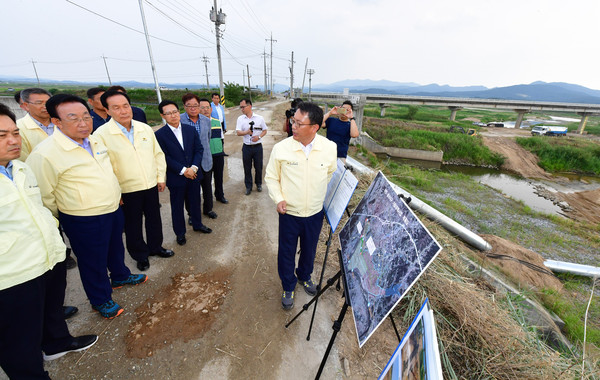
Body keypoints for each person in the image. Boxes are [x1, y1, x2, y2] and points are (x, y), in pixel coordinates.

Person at [26, 94, 147, 320]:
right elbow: (45, 195)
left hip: (111, 208)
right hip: (83, 218)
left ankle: (120, 275)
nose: (83, 123)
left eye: (86, 117)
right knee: (93, 261)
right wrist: (64, 215)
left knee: (114, 248)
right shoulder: (45, 154)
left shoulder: (94, 140)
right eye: (74, 119)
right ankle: (100, 299)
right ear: (56, 122)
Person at [0, 103, 97, 379]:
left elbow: (41, 207)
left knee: (51, 311)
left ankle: (57, 343)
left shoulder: (19, 168)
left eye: (15, 133)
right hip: (13, 275)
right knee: (19, 339)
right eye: (1, 135)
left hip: (48, 257)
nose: (13, 140)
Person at [265, 102, 337, 310]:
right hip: (289, 213)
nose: (293, 126)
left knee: (309, 248)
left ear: (315, 127)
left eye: (298, 123)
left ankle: (304, 276)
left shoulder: (329, 148)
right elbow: (271, 177)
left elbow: (330, 173)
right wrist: (279, 198)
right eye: (292, 121)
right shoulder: (282, 149)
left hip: (315, 212)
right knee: (287, 251)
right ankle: (288, 285)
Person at [93, 89, 173, 272]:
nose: (123, 111)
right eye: (116, 108)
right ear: (107, 111)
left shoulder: (144, 128)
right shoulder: (100, 135)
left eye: (126, 106)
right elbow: (103, 168)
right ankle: (140, 255)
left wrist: (160, 177)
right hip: (126, 189)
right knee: (132, 224)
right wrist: (115, 192)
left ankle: (156, 247)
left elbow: (157, 154)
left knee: (154, 218)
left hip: (150, 184)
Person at [155, 100, 211, 246]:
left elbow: (199, 150)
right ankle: (180, 233)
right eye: (168, 113)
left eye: (175, 112)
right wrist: (182, 170)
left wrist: (193, 168)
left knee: (195, 202)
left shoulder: (190, 129)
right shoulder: (160, 135)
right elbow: (164, 156)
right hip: (176, 177)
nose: (173, 116)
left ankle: (198, 225)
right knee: (177, 207)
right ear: (163, 115)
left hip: (193, 174)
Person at [180, 94, 216, 219]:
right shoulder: (179, 120)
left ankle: (208, 209)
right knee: (190, 192)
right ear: (184, 106)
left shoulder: (206, 120)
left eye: (196, 105)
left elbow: (207, 138)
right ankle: (192, 214)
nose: (193, 108)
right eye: (189, 105)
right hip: (189, 163)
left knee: (207, 187)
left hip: (205, 160)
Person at [236, 99, 268, 195]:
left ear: (250, 106)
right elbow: (238, 132)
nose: (242, 109)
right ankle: (248, 186)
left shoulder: (259, 118)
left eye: (243, 107)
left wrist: (258, 137)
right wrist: (246, 132)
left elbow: (265, 130)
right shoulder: (240, 119)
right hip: (247, 147)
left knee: (258, 167)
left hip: (257, 147)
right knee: (247, 168)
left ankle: (258, 184)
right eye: (240, 107)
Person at [16, 88, 54, 161]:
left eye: (48, 102)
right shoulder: (18, 128)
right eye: (39, 103)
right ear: (26, 106)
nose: (45, 106)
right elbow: (23, 160)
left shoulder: (63, 123)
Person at [209, 101, 228, 204]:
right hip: (207, 156)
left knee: (219, 177)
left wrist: (221, 151)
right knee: (207, 181)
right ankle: (208, 200)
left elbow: (221, 137)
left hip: (218, 154)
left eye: (207, 108)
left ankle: (220, 195)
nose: (205, 110)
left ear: (211, 109)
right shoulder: (199, 123)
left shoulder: (216, 122)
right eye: (202, 108)